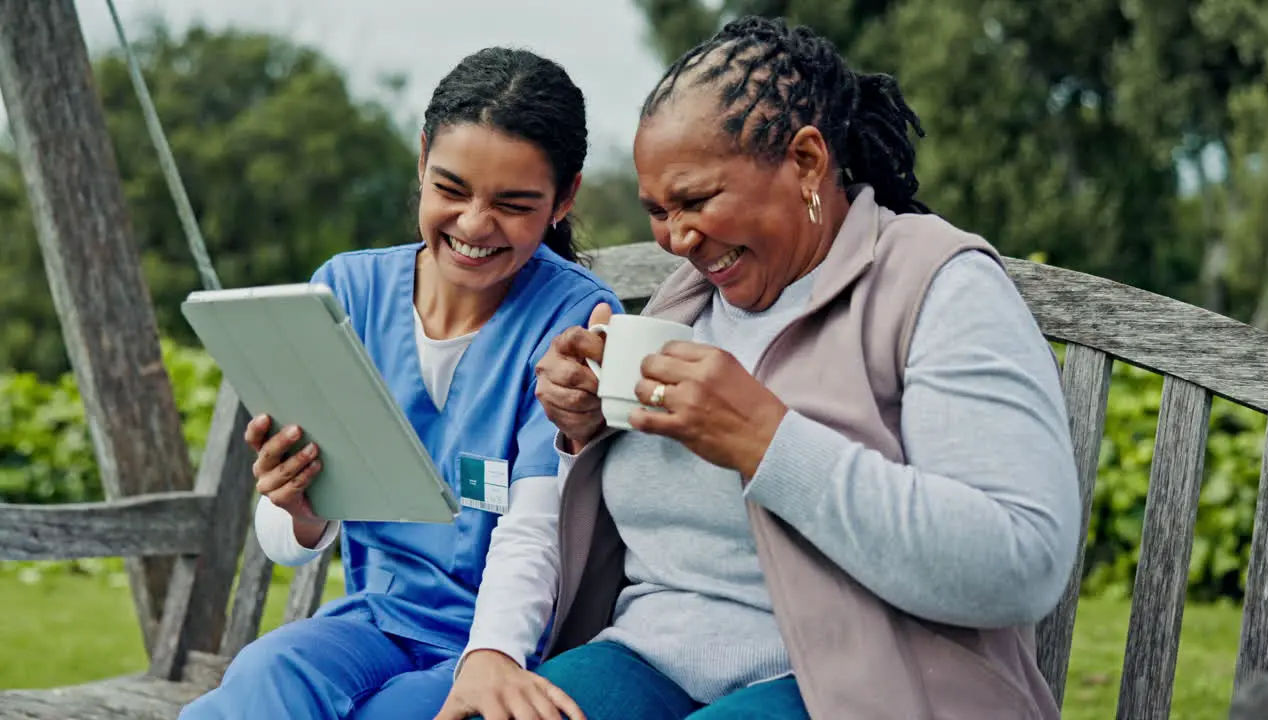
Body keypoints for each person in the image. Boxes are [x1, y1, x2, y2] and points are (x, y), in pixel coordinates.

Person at [531, 15, 1081, 720]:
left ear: (807, 161)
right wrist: (585, 424)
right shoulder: (687, 299)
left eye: (696, 200)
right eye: (657, 211)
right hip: (649, 653)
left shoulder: (934, 284)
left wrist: (767, 440)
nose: (677, 237)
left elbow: (1020, 561)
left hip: (857, 681)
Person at [179, 47, 620, 720]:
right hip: (375, 619)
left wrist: (491, 656)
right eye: (450, 189)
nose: (474, 224)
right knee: (265, 672)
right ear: (421, 162)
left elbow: (538, 527)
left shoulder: (574, 321)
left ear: (564, 198)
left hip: (507, 641)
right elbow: (287, 539)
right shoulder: (345, 293)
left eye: (512, 203)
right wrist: (298, 505)